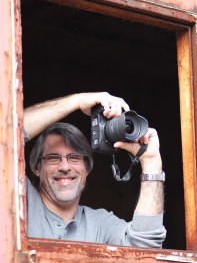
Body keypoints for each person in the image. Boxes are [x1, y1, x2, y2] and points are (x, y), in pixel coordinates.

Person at [24, 91, 166, 247]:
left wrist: (151, 161)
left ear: (87, 168)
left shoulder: (100, 224)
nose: (64, 167)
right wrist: (78, 101)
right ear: (36, 167)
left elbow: (145, 249)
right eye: (53, 158)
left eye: (74, 158)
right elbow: (5, 136)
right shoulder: (20, 202)